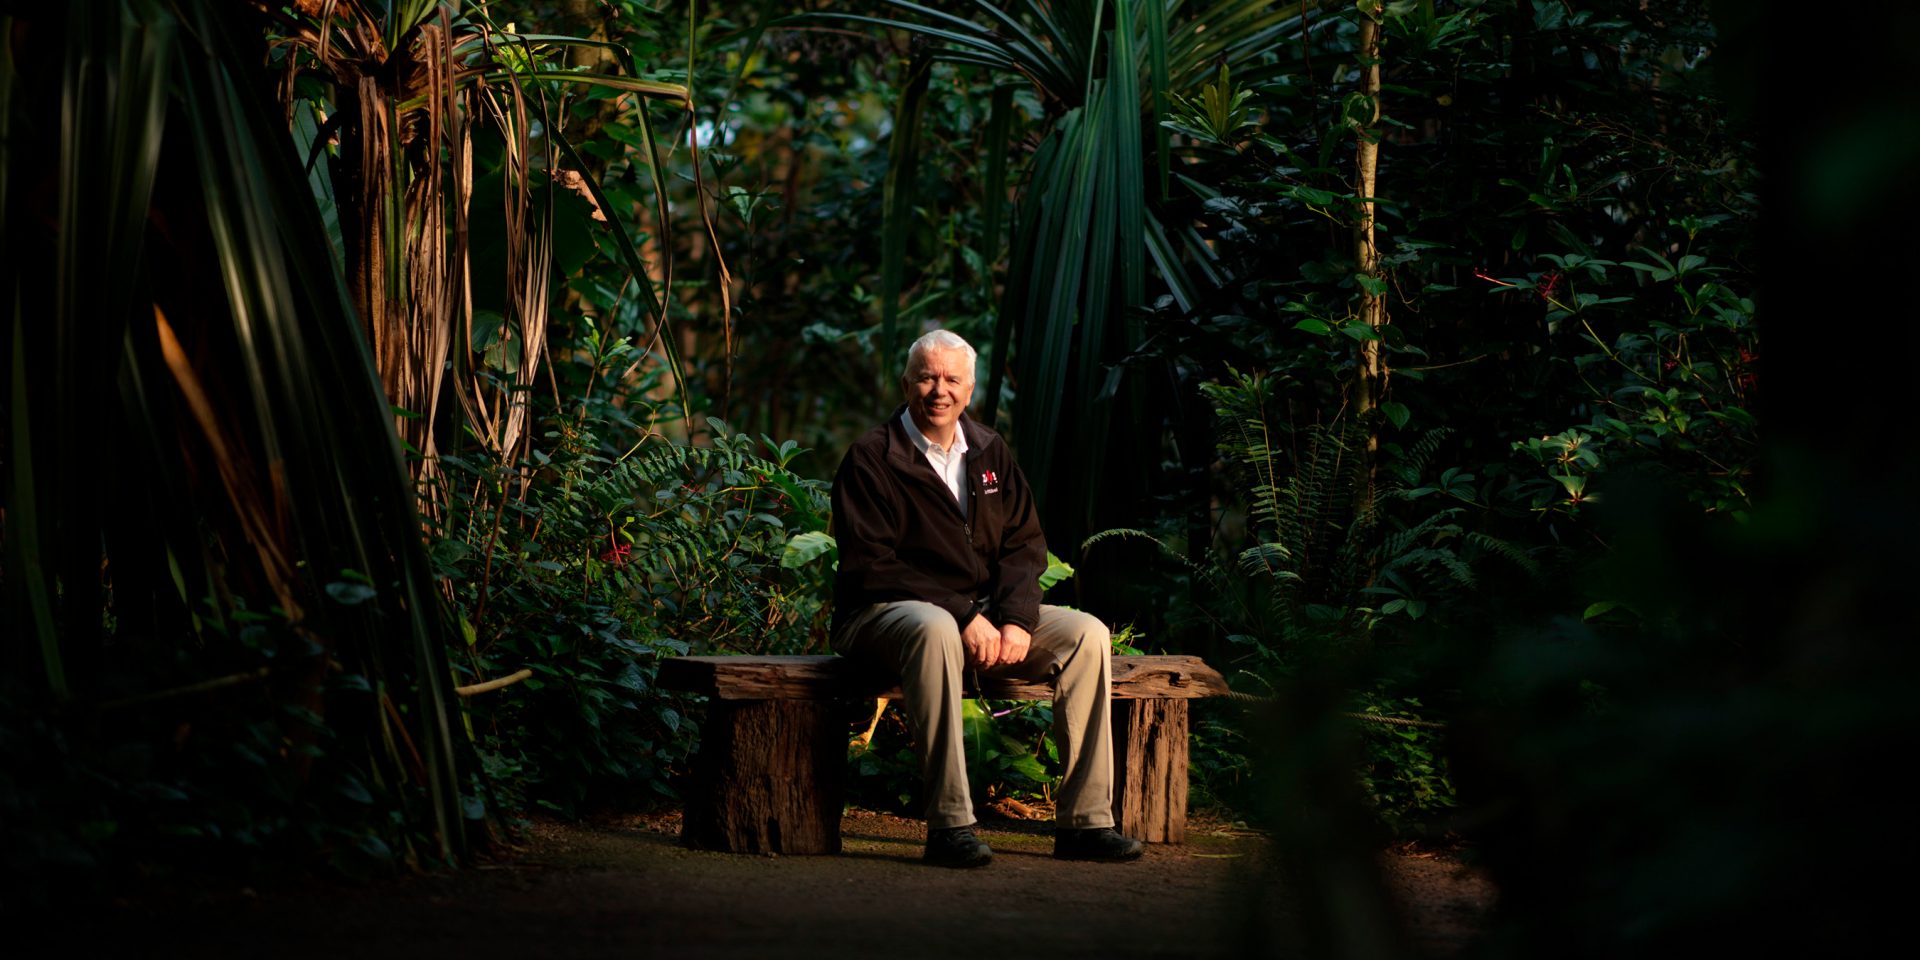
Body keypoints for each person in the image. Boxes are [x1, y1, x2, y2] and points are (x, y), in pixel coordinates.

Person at [830, 329, 1145, 868]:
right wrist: (961, 614)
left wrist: (1017, 619)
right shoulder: (872, 457)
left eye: (952, 379)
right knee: (933, 627)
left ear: (969, 389)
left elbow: (1025, 544)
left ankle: (1086, 824)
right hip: (881, 614)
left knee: (1086, 634)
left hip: (985, 614)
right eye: (927, 377)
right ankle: (950, 825)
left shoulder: (988, 449)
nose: (939, 390)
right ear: (906, 384)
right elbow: (872, 564)